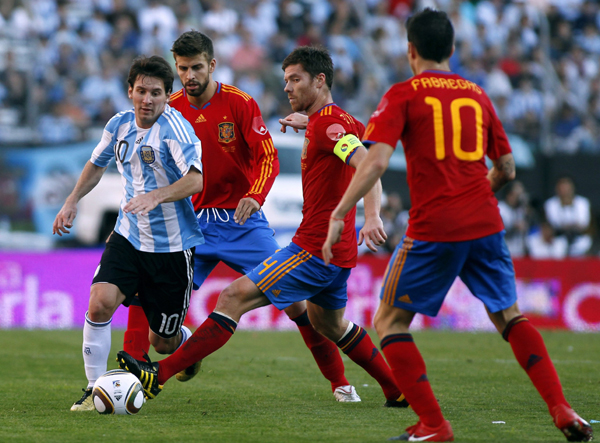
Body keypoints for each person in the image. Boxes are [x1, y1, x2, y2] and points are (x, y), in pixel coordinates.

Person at [322, 9, 592, 442]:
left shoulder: (403, 94)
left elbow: (376, 159)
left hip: (435, 227)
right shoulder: (478, 95)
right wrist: (476, 192)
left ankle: (434, 426)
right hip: (486, 222)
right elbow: (505, 167)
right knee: (509, 316)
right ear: (451, 49)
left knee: (389, 321)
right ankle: (561, 409)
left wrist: (341, 213)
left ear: (411, 50)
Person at [117, 46, 407, 409]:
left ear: (320, 81)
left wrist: (374, 215)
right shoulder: (335, 121)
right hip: (335, 251)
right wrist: (313, 123)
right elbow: (352, 145)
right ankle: (395, 388)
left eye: (295, 80)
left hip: (308, 247)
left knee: (233, 298)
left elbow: (366, 161)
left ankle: (156, 377)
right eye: (285, 80)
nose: (287, 88)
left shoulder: (320, 123)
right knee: (330, 324)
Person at [53, 55, 205, 412]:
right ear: (129, 91)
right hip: (128, 236)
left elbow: (196, 179)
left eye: (156, 93)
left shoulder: (177, 129)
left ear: (168, 96)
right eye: (141, 91)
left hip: (171, 247)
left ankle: (186, 342)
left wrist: (155, 195)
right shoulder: (119, 125)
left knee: (163, 341)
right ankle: (94, 390)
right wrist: (72, 200)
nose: (147, 99)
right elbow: (96, 164)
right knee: (100, 302)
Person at [544, 176, 593, 257]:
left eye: (567, 187)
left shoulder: (583, 202)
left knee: (584, 244)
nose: (565, 191)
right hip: (559, 238)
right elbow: (553, 223)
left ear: (572, 188)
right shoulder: (550, 204)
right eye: (562, 188)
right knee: (558, 248)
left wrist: (570, 225)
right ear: (557, 189)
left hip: (579, 238)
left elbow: (584, 223)